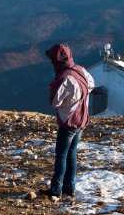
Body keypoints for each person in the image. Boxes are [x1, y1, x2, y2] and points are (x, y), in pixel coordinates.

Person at [40, 44, 95, 198]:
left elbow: (54, 102)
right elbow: (91, 84)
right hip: (82, 119)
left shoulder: (64, 77)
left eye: (52, 60)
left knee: (61, 155)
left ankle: (56, 189)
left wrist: (68, 101)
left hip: (68, 121)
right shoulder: (81, 69)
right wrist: (77, 97)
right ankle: (69, 187)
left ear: (56, 61)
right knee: (72, 153)